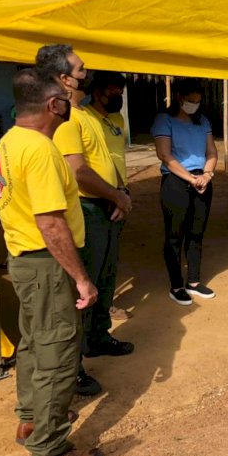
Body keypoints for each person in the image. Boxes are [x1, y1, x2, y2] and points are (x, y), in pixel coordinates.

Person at [0, 68, 102, 456]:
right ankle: (50, 450)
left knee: (34, 342)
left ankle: (30, 418)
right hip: (47, 262)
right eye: (69, 94)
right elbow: (51, 223)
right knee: (57, 352)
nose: (73, 100)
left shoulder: (8, 142)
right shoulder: (39, 150)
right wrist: (81, 278)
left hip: (24, 261)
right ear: (54, 104)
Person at [37, 44, 133, 398]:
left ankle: (98, 338)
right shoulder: (66, 120)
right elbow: (79, 172)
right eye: (81, 70)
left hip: (109, 206)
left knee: (106, 278)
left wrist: (121, 194)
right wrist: (115, 195)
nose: (86, 74)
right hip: (88, 210)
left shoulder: (91, 115)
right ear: (65, 79)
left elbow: (108, 161)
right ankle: (74, 366)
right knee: (85, 288)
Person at [151, 78, 218, 305]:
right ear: (179, 97)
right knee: (175, 235)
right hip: (176, 181)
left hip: (202, 180)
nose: (195, 105)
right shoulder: (164, 120)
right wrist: (191, 178)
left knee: (196, 232)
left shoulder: (203, 121)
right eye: (191, 101)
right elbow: (165, 155)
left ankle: (194, 282)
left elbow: (211, 151)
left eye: (198, 101)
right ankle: (176, 285)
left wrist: (207, 175)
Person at [88, 71, 132, 322]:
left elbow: (117, 160)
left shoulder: (117, 120)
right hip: (97, 197)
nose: (118, 97)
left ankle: (106, 305)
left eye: (121, 93)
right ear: (97, 92)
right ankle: (92, 312)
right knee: (95, 257)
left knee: (111, 256)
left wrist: (123, 193)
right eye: (113, 92)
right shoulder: (84, 118)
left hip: (119, 195)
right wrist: (115, 194)